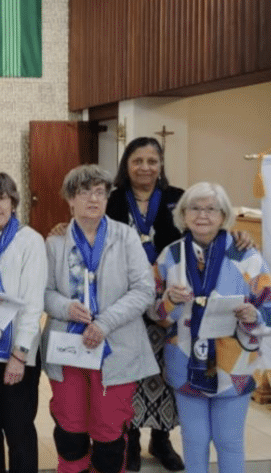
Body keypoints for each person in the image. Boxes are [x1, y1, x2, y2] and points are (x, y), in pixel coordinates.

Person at [151, 182, 271, 473]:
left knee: (229, 442)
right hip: (185, 362)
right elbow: (154, 314)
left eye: (211, 208)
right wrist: (169, 301)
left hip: (235, 366)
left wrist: (254, 317)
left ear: (224, 216)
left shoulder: (246, 256)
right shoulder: (170, 256)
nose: (202, 215)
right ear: (183, 215)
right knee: (194, 440)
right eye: (194, 208)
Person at [42, 164, 158, 473]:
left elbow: (144, 289)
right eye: (84, 192)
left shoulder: (127, 237)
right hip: (68, 348)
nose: (93, 199)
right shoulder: (54, 243)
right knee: (70, 430)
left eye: (100, 193)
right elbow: (44, 293)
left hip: (116, 347)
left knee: (108, 433)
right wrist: (66, 307)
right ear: (70, 199)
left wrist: (104, 323)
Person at [104, 137, 185, 471]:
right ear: (127, 164)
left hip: (170, 299)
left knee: (166, 371)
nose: (145, 168)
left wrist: (237, 235)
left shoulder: (178, 198)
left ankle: (162, 439)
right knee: (131, 370)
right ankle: (132, 440)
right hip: (126, 298)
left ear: (161, 165)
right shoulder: (112, 200)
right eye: (138, 161)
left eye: (152, 161)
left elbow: (204, 226)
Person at [0, 172, 46, 473]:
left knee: (18, 432)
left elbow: (33, 303)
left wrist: (19, 354)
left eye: (1, 198)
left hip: (17, 352)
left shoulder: (30, 240)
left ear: (13, 202)